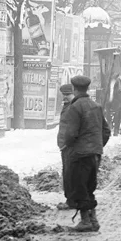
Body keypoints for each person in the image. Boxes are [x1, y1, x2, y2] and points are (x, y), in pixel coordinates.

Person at [57, 75, 111, 231]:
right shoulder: (96, 106)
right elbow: (106, 131)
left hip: (79, 154)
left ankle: (86, 221)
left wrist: (69, 147)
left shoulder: (75, 107)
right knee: (89, 186)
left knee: (80, 187)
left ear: (74, 89)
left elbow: (70, 134)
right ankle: (93, 220)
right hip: (95, 154)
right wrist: (97, 146)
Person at [56, 83, 75, 211]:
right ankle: (71, 199)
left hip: (70, 146)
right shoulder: (68, 106)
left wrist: (68, 143)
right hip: (65, 146)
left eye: (68, 95)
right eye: (64, 95)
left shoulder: (75, 108)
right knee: (68, 173)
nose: (65, 97)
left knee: (70, 174)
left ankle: (72, 201)